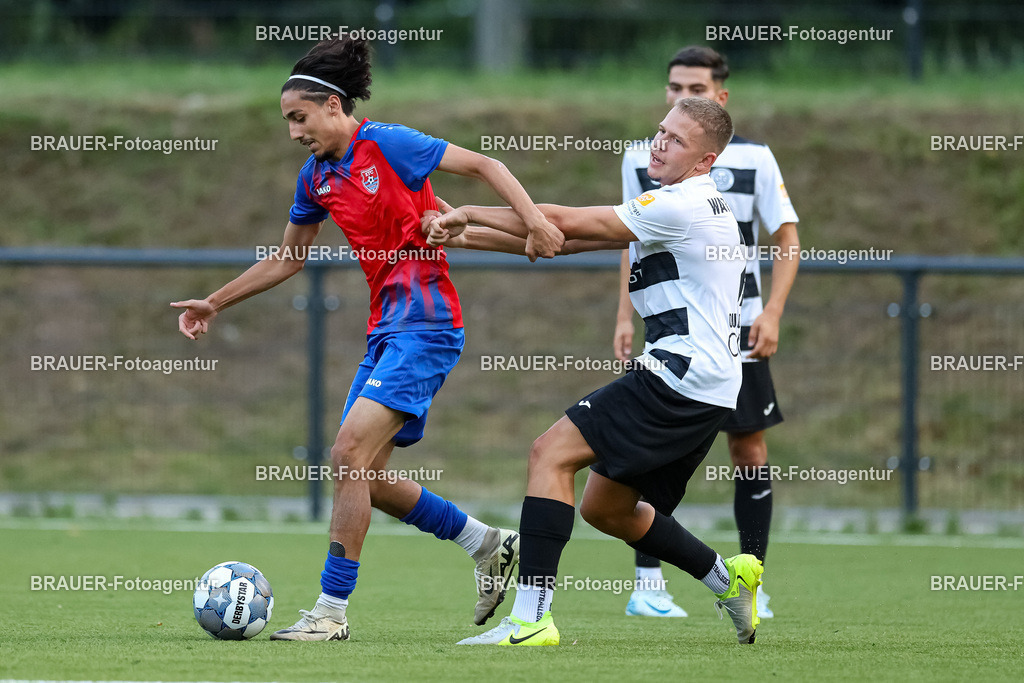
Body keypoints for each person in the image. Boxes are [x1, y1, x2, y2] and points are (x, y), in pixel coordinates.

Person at [170, 37, 565, 642]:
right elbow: (286, 259)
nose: (294, 133)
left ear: (333, 106)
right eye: (287, 123)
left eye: (298, 118)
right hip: (386, 331)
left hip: (427, 326)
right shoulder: (316, 178)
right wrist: (214, 302)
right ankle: (486, 542)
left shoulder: (389, 143)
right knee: (368, 477)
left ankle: (330, 613)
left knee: (346, 457)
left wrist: (534, 219)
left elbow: (488, 166)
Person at [428, 97, 765, 646]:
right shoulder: (683, 202)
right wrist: (464, 236)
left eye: (677, 140)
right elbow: (560, 240)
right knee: (606, 508)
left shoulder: (680, 205)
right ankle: (730, 580)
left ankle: (531, 620)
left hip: (681, 374)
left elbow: (556, 220)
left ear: (706, 161)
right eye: (660, 131)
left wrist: (468, 211)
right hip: (709, 384)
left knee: (549, 453)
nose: (660, 143)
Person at [613, 46, 800, 619]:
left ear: (721, 96)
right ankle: (649, 585)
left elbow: (787, 237)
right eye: (672, 88)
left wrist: (772, 313)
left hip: (738, 325)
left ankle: (752, 579)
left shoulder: (758, 160)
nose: (679, 97)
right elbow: (630, 238)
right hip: (675, 327)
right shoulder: (644, 156)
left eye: (692, 88)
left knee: (748, 447)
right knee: (644, 448)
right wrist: (624, 314)